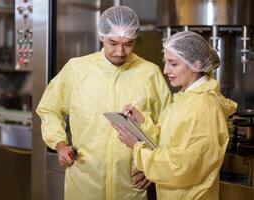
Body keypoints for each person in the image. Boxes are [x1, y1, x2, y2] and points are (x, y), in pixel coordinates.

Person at [36, 5, 172, 200]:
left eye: (128, 44)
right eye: (113, 43)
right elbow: (49, 108)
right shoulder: (77, 69)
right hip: (84, 184)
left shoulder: (149, 73)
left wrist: (152, 165)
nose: (120, 51)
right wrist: (60, 145)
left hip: (130, 187)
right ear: (101, 37)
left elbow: (167, 126)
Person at [113, 31, 237, 200]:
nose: (165, 70)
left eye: (173, 64)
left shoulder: (204, 107)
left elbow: (184, 166)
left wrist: (137, 148)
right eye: (166, 63)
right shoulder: (185, 98)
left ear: (197, 64)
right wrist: (142, 123)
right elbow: (168, 141)